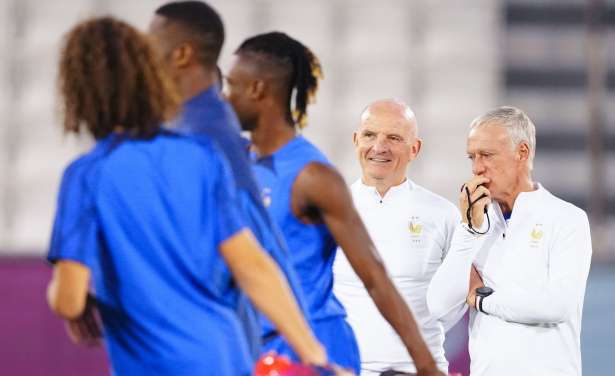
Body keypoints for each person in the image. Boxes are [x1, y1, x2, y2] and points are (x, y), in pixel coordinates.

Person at [46, 16, 327, 375]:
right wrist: (314, 354)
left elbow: (69, 300)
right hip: (226, 355)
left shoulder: (85, 176)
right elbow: (253, 266)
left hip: (155, 364)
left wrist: (64, 294)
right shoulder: (201, 154)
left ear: (78, 90)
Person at [225, 31, 445, 376]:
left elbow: (374, 276)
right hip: (257, 347)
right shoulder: (239, 165)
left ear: (258, 90)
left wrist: (427, 366)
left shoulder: (313, 176)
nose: (226, 97)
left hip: (315, 351)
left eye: (231, 85)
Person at [146, 1, 309, 360]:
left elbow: (257, 247)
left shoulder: (207, 136)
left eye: (151, 41)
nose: (143, 53)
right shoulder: (184, 128)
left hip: (209, 342)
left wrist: (308, 350)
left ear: (182, 53)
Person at [426, 106, 592, 376]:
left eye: (487, 155)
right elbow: (439, 308)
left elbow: (557, 306)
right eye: (472, 157)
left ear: (522, 152)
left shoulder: (567, 219)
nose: (477, 168)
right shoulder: (475, 227)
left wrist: (481, 299)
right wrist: (469, 231)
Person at [333, 100, 461, 375]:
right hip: (346, 369)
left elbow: (457, 301)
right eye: (369, 135)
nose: (379, 147)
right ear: (356, 140)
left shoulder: (444, 215)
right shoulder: (329, 211)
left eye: (393, 137)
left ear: (415, 148)